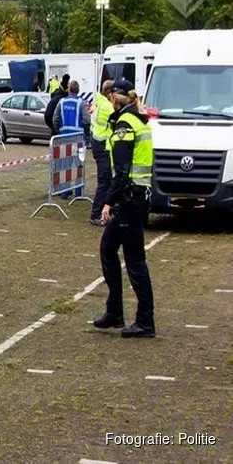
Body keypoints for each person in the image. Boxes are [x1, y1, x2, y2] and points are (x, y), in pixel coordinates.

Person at [92, 79, 156, 338]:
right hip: (137, 197)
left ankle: (145, 321)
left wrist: (108, 201)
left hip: (129, 199)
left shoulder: (125, 125)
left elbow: (121, 172)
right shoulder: (139, 120)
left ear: (116, 98)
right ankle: (115, 311)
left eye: (110, 96)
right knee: (108, 249)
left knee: (134, 260)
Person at [53, 80, 90, 199]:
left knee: (65, 164)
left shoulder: (61, 102)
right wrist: (86, 133)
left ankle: (65, 191)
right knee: (79, 164)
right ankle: (79, 193)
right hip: (78, 138)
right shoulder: (82, 103)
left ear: (69, 90)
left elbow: (55, 119)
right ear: (78, 90)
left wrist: (59, 130)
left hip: (64, 137)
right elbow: (87, 120)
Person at [89, 79, 115, 226]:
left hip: (99, 144)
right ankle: (96, 214)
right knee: (104, 181)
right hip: (103, 146)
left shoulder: (99, 101)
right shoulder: (106, 106)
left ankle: (103, 212)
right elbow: (117, 117)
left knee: (106, 181)